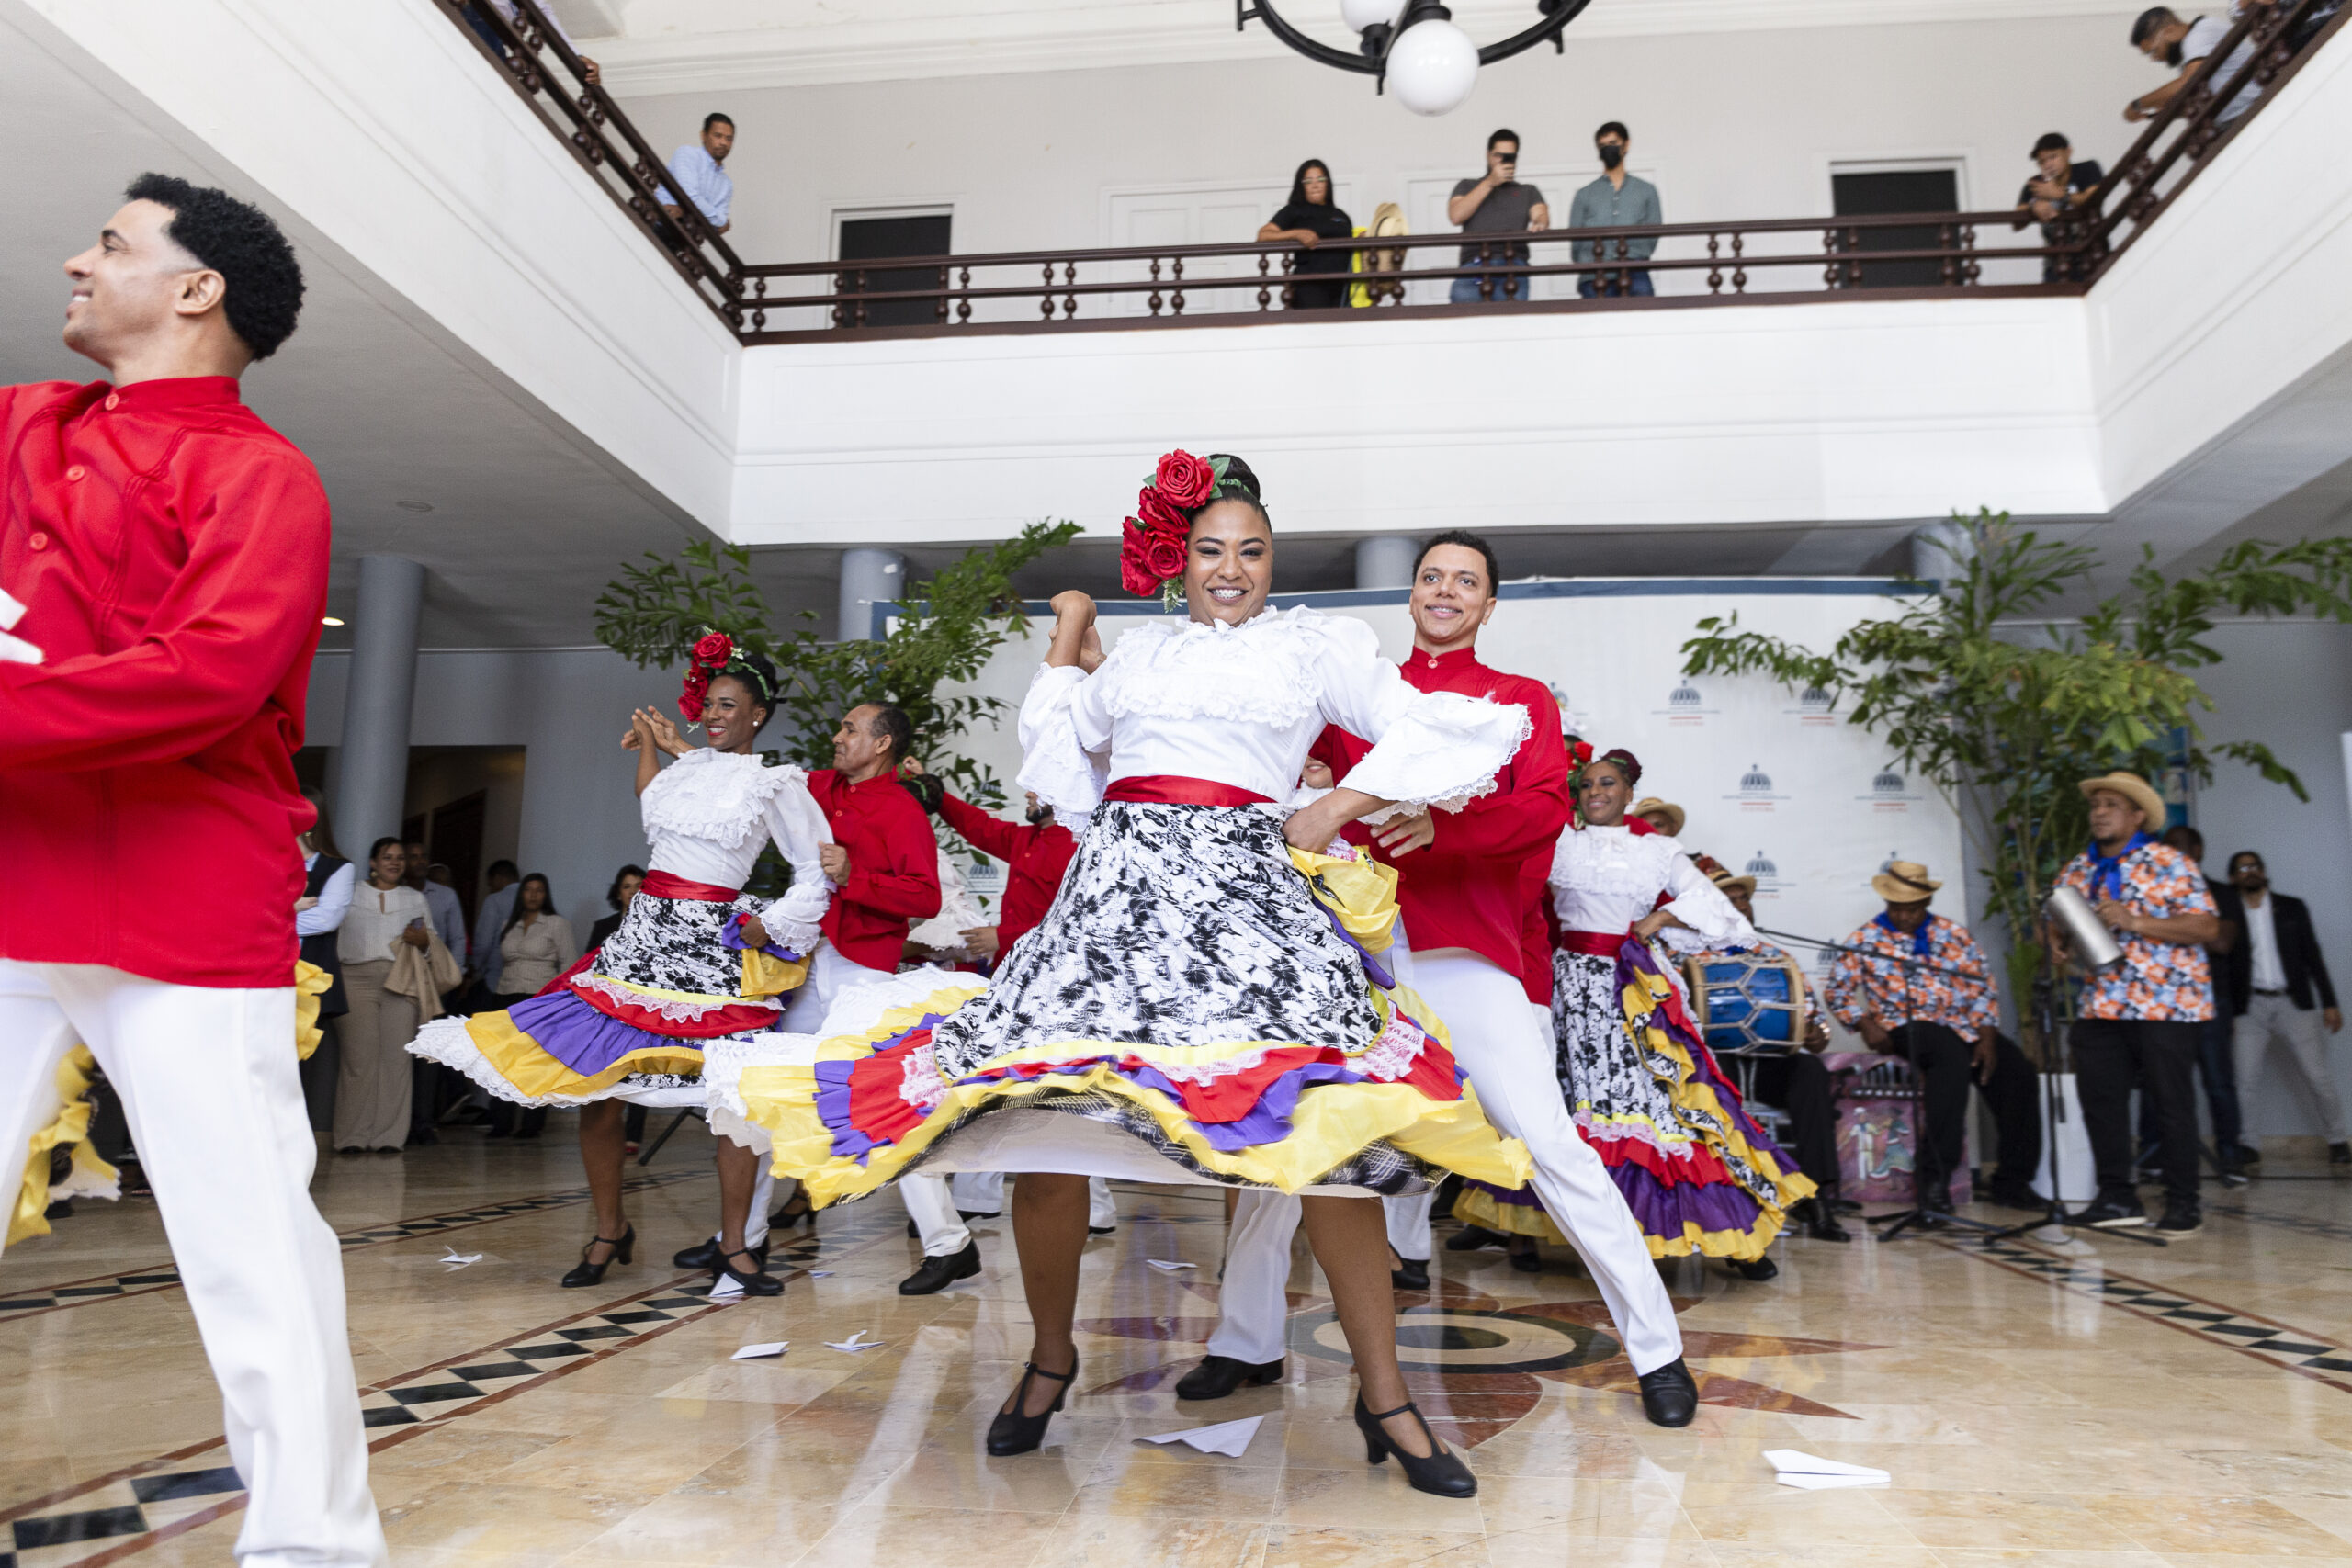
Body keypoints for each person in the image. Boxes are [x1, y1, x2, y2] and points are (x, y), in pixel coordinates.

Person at [739, 450, 1540, 1497]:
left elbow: (1443, 731)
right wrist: (1072, 640)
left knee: (1331, 1134)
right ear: (1181, 561)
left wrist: (1338, 805)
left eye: (1251, 552)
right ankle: (1050, 1357)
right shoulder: (1141, 660)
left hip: (1250, 912)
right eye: (1211, 550)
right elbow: (1062, 766)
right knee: (1042, 1126)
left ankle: (1386, 1396)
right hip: (1115, 904)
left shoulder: (1312, 650)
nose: (1231, 568)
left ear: (1271, 563)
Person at [0, 174, 384, 1562]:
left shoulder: (261, 475)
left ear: (195, 288)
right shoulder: (23, 425)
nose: (75, 259)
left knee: (246, 1248)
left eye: (109, 243)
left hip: (180, 893)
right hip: (13, 874)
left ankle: (312, 1545)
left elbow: (208, 676)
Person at [1178, 529, 1699, 1427]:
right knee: (1279, 1148)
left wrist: (1439, 829)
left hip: (1464, 953)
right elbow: (1287, 792)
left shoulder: (1520, 700)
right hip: (1349, 960)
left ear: (1488, 604)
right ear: (1412, 594)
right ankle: (1244, 1341)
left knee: (1547, 1144)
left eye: (1465, 581)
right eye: (1431, 577)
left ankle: (1657, 1352)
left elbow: (1540, 814)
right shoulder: (1356, 702)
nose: (1445, 591)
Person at [408, 644, 835, 1294]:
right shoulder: (690, 771)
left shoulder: (774, 782)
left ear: (759, 713)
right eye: (709, 705)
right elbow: (655, 804)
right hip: (641, 939)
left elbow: (814, 873)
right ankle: (610, 1229)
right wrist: (650, 748)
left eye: (728, 706)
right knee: (595, 1085)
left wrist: (770, 925)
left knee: (733, 1094)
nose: (713, 715)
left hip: (709, 948)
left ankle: (735, 1245)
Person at [1455, 749, 1813, 1280]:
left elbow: (1718, 908)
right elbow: (1510, 888)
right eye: (1586, 786)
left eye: (1607, 784)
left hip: (1634, 988)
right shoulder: (1560, 843)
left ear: (1628, 793)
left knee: (1665, 1103)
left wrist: (1660, 916)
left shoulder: (1658, 851)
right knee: (1559, 1101)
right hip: (1570, 987)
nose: (1595, 792)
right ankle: (1527, 1232)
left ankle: (1730, 1236)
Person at [774, 704, 953, 1292]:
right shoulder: (821, 787)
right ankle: (739, 1240)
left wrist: (856, 874)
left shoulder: (901, 809)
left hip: (864, 971)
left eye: (850, 729)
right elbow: (765, 788)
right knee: (766, 1079)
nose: (837, 736)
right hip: (810, 962)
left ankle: (949, 1243)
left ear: (881, 746)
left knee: (884, 1104)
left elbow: (925, 897)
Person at [2053, 772, 2221, 1237]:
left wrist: (2136, 920)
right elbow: (2056, 920)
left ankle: (2184, 1202)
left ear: (2137, 816)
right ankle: (2116, 1197)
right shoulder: (2077, 870)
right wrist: (2058, 942)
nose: (2100, 812)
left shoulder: (2170, 862)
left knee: (2171, 1102)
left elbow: (2207, 928)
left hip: (2166, 1004)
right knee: (2101, 1100)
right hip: (2103, 1004)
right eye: (2096, 805)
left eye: (2111, 805)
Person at [1822, 861, 2042, 1213]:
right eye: (1897, 908)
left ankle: (2013, 1181)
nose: (1905, 916)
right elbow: (1836, 991)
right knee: (1949, 1058)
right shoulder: (1866, 939)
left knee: (2017, 1074)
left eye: (1912, 909)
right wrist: (1865, 1024)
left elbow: (1983, 986)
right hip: (1908, 1026)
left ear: (1926, 903)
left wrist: (1987, 1037)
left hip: (1965, 1027)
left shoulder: (1954, 935)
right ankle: (1935, 1181)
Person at [1683, 867, 1851, 1240]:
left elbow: (1814, 1023)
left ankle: (1816, 1196)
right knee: (1699, 1077)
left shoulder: (1779, 958)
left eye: (1744, 898)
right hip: (1718, 1063)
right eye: (1730, 899)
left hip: (1771, 1063)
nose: (1740, 905)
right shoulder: (1689, 955)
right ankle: (1725, 1198)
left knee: (1810, 1072)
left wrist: (1815, 1034)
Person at [2223, 850, 2349, 1167]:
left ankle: (2338, 1139)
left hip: (2294, 1002)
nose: (2250, 872)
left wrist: (2329, 1002)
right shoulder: (2228, 916)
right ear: (2232, 878)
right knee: (2245, 1080)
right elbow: (2223, 966)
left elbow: (2313, 956)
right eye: (2242, 868)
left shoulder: (2291, 907)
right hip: (2249, 1006)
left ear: (2264, 871)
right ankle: (2249, 1144)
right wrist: (2228, 1012)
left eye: (2255, 866)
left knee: (2317, 1076)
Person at [2154, 824, 2245, 1179]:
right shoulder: (2154, 892)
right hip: (2163, 1000)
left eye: (2178, 845)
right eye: (2166, 846)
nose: (2171, 852)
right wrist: (2188, 926)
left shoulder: (2222, 893)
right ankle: (2157, 1159)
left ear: (2198, 850)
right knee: (2159, 1083)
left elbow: (2222, 943)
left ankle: (2230, 1156)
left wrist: (2169, 926)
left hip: (2210, 1000)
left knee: (2218, 1081)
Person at [335, 838, 431, 1155]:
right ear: (373, 862)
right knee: (358, 1061)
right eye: (387, 857)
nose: (394, 862)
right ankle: (351, 1137)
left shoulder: (415, 898)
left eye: (400, 857)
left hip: (400, 979)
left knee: (396, 1059)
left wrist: (422, 941)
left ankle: (388, 1137)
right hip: (354, 978)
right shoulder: (349, 893)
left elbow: (430, 947)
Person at [919, 778, 1077, 966]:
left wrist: (1003, 937)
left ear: (1061, 794)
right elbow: (979, 826)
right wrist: (936, 793)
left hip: (1049, 969)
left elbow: (1074, 922)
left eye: (1036, 789)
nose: (1028, 794)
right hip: (1007, 967)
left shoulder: (1080, 849)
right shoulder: (1024, 837)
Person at [296, 791, 355, 1129]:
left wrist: (272, 916)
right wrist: (290, 909)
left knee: (304, 1064)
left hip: (311, 974)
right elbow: (239, 915)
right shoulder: (265, 859)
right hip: (262, 972)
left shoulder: (339, 867)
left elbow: (325, 921)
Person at [1448, 129, 1547, 304]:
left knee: (1511, 326)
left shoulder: (1527, 190)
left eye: (1510, 157)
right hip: (1473, 267)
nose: (1503, 161)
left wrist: (1540, 223)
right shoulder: (1467, 185)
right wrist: (1490, 183)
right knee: (1464, 324)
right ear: (1488, 155)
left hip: (1513, 268)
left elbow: (1540, 215)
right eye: (1498, 156)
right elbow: (1456, 216)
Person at [1567, 122, 1660, 298]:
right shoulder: (1584, 194)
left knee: (1644, 316)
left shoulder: (1646, 190)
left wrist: (1631, 254)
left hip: (1635, 268)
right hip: (1594, 271)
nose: (1608, 150)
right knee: (1596, 322)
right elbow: (1576, 243)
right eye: (1603, 146)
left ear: (1626, 144)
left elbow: (1652, 234)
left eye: (1613, 143)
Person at [2126, 8, 2261, 124]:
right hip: (2241, 117)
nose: (2154, 58)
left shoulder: (2200, 33)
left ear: (2169, 32)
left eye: (2153, 51)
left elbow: (2187, 83)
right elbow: (2194, 99)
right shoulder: (2190, 53)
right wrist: (2156, 111)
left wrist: (2138, 105)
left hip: (2254, 110)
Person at [1257, 160, 1356, 311]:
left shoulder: (1341, 215)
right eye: (1308, 181)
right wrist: (1297, 233)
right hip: (1310, 286)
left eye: (1321, 179)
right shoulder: (1294, 210)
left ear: (1327, 183)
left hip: (1342, 287)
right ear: (1301, 186)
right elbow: (1263, 235)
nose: (1315, 185)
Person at [2010, 133, 2106, 282]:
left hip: (2093, 257)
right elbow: (2016, 223)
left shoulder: (2087, 169)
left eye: (2053, 157)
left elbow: (2094, 199)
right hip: (2056, 265)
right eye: (2042, 162)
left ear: (2068, 152)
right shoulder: (2036, 185)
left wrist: (2061, 195)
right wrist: (2033, 205)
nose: (2048, 165)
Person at [661, 112, 736, 235]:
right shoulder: (687, 154)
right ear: (703, 135)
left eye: (729, 138)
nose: (723, 142)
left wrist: (684, 212)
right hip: (659, 224)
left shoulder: (726, 184)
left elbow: (720, 227)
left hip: (687, 241)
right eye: (718, 136)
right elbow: (690, 198)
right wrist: (719, 220)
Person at [405, 840, 469, 962]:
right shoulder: (395, 894)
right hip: (401, 968)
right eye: (414, 857)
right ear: (404, 862)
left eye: (424, 856)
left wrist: (455, 972)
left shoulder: (447, 895)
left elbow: (458, 939)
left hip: (436, 968)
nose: (420, 861)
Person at [469, 858, 521, 998]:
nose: (491, 889)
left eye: (490, 884)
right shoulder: (538, 900)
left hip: (497, 976)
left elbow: (484, 943)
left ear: (498, 878)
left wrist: (475, 968)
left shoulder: (494, 900)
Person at [590, 863, 648, 950]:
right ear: (618, 894)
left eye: (638, 886)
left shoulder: (661, 925)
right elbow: (592, 961)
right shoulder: (602, 927)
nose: (633, 891)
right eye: (626, 887)